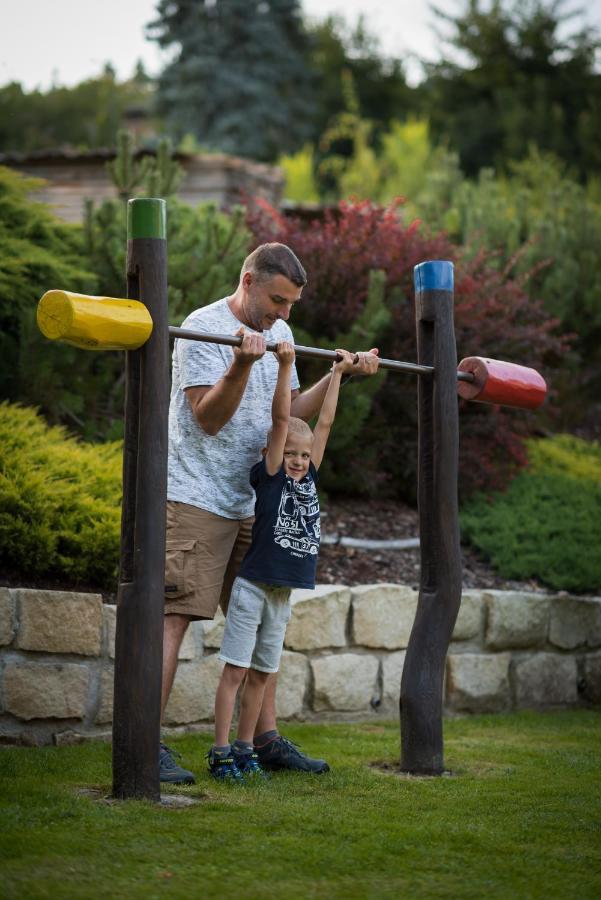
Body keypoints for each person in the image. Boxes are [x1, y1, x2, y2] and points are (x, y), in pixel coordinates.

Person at [159, 243, 380, 784]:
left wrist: (339, 374)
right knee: (176, 617)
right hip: (198, 495)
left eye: (292, 305)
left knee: (261, 623)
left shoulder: (280, 333)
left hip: (258, 501)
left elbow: (293, 418)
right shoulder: (202, 327)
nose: (285, 314)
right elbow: (207, 418)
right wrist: (240, 361)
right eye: (278, 300)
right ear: (249, 279)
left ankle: (264, 738)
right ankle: (145, 741)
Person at [207, 340, 355, 780]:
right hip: (253, 586)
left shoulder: (309, 472)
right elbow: (279, 421)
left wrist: (339, 375)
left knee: (262, 674)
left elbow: (324, 423)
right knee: (236, 669)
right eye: (291, 453)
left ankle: (246, 749)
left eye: (303, 455)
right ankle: (219, 753)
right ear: (276, 454)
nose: (297, 460)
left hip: (281, 594)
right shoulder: (271, 475)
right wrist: (285, 366)